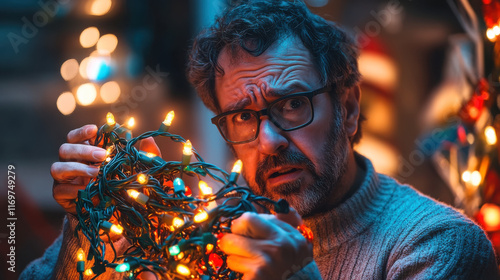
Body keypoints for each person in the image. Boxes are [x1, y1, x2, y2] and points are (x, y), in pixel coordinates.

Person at [21, 0, 500, 279]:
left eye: (292, 104)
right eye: (243, 116)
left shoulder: (438, 245)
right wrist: (88, 233)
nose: (268, 140)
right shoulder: (200, 223)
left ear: (349, 108)